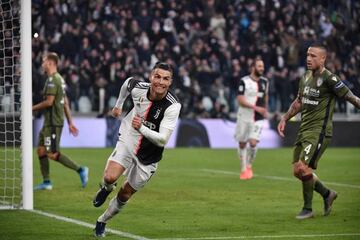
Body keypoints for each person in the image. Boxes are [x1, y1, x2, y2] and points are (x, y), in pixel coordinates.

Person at [92, 62, 181, 237]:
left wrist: (142, 128)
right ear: (150, 77)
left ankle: (102, 220)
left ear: (170, 82)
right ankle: (107, 188)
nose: (160, 82)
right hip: (129, 137)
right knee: (109, 177)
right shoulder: (139, 87)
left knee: (125, 194)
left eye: (165, 79)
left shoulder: (172, 105)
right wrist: (119, 104)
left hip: (150, 155)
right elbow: (127, 83)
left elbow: (163, 139)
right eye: (157, 76)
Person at [277, 43, 360, 219]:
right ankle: (327, 194)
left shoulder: (331, 79)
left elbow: (351, 98)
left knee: (303, 168)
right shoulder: (305, 77)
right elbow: (299, 102)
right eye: (307, 54)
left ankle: (307, 209)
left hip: (319, 132)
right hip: (303, 130)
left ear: (323, 58)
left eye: (313, 55)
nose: (308, 58)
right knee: (297, 171)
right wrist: (284, 118)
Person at [32, 52, 89, 190]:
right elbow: (65, 103)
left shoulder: (53, 80)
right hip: (49, 122)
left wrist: (31, 108)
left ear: (51, 63)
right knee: (40, 150)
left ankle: (81, 170)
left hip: (53, 123)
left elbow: (50, 102)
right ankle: (46, 182)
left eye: (44, 61)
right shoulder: (59, 79)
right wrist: (70, 122)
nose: (42, 64)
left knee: (52, 153)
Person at [235, 57, 268, 180]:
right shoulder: (244, 81)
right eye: (259, 66)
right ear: (253, 67)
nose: (262, 68)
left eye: (262, 66)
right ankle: (243, 168)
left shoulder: (265, 82)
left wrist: (264, 109)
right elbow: (240, 100)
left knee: (253, 143)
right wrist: (256, 108)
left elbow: (266, 96)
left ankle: (248, 166)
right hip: (244, 117)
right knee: (242, 143)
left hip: (258, 118)